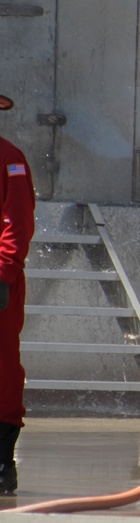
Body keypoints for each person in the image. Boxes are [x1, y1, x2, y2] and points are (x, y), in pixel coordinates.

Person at [0, 95, 35, 496]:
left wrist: (4, 274)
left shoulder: (10, 159)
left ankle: (1, 461)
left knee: (3, 367)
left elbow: (18, 221)